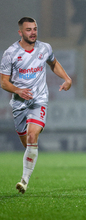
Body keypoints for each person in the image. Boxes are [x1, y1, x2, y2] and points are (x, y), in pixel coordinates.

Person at [0, 17, 72, 194]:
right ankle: (30, 159)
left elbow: (53, 63)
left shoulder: (44, 48)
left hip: (39, 99)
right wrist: (18, 90)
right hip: (19, 103)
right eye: (28, 30)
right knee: (27, 143)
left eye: (35, 29)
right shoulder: (10, 53)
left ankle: (24, 181)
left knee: (32, 138)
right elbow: (3, 82)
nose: (33, 32)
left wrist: (67, 78)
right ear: (20, 32)